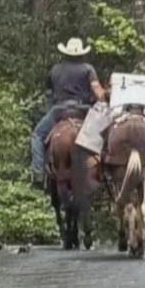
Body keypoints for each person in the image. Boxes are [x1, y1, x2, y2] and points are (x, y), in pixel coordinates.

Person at [31, 37, 107, 184]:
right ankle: (106, 171)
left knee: (37, 136)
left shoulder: (55, 69)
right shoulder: (88, 69)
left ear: (65, 53)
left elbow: (49, 91)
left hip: (59, 110)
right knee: (106, 135)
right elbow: (98, 92)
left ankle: (38, 172)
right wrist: (105, 98)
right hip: (84, 110)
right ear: (81, 54)